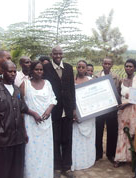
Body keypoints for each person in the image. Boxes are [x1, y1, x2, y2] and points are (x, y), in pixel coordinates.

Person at [0, 61, 41, 178]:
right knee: (2, 170)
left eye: (14, 71)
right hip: (3, 139)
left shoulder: (17, 90)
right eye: (10, 71)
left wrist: (25, 130)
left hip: (18, 138)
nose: (13, 74)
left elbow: (22, 110)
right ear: (3, 72)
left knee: (17, 170)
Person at [43, 46, 76, 178]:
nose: (57, 55)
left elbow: (72, 89)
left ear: (63, 55)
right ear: (51, 54)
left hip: (67, 110)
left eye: (60, 53)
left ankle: (67, 168)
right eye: (55, 53)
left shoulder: (68, 68)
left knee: (67, 139)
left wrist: (73, 108)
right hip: (54, 110)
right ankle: (56, 167)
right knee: (55, 139)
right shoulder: (46, 68)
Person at [20, 61, 57, 178]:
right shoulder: (25, 84)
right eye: (36, 69)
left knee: (45, 150)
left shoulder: (47, 83)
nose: (39, 72)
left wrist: (49, 109)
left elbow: (53, 99)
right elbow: (20, 105)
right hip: (31, 124)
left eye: (41, 69)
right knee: (32, 150)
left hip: (46, 124)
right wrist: (33, 113)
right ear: (31, 70)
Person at [114, 59, 136, 167]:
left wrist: (128, 103)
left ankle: (131, 158)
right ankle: (120, 158)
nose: (128, 68)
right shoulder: (122, 81)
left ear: (135, 68)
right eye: (127, 66)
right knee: (122, 132)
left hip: (134, 109)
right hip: (123, 111)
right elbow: (119, 95)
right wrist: (120, 104)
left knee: (133, 133)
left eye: (131, 66)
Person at [71, 60, 96, 171]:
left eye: (83, 67)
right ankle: (76, 161)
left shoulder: (91, 81)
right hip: (75, 114)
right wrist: (73, 112)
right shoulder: (72, 81)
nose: (81, 69)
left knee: (88, 138)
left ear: (87, 69)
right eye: (79, 67)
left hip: (88, 115)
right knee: (76, 138)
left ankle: (87, 160)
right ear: (76, 68)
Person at [95, 58, 120, 163]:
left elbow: (118, 90)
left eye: (109, 63)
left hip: (111, 108)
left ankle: (111, 154)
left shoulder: (116, 77)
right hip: (99, 108)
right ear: (102, 64)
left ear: (112, 65)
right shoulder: (96, 76)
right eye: (105, 63)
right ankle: (98, 154)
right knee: (98, 131)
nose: (106, 65)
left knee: (112, 132)